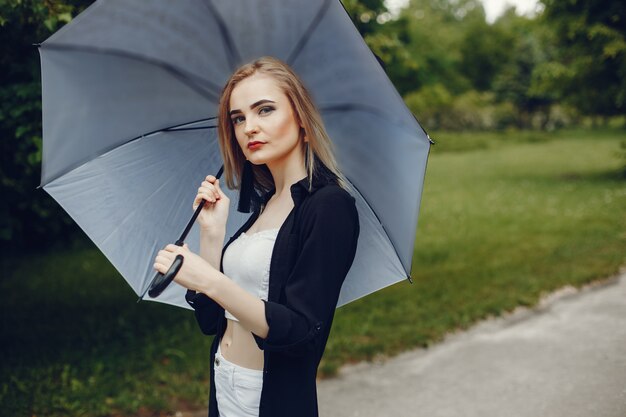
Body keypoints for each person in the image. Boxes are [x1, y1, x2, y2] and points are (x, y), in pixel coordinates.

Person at [153, 56, 360, 417]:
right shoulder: (265, 207)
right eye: (238, 118)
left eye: (265, 110)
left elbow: (300, 332)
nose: (249, 127)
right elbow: (211, 322)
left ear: (302, 122)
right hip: (224, 380)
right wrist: (212, 235)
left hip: (268, 397)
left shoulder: (329, 206)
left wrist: (210, 280)